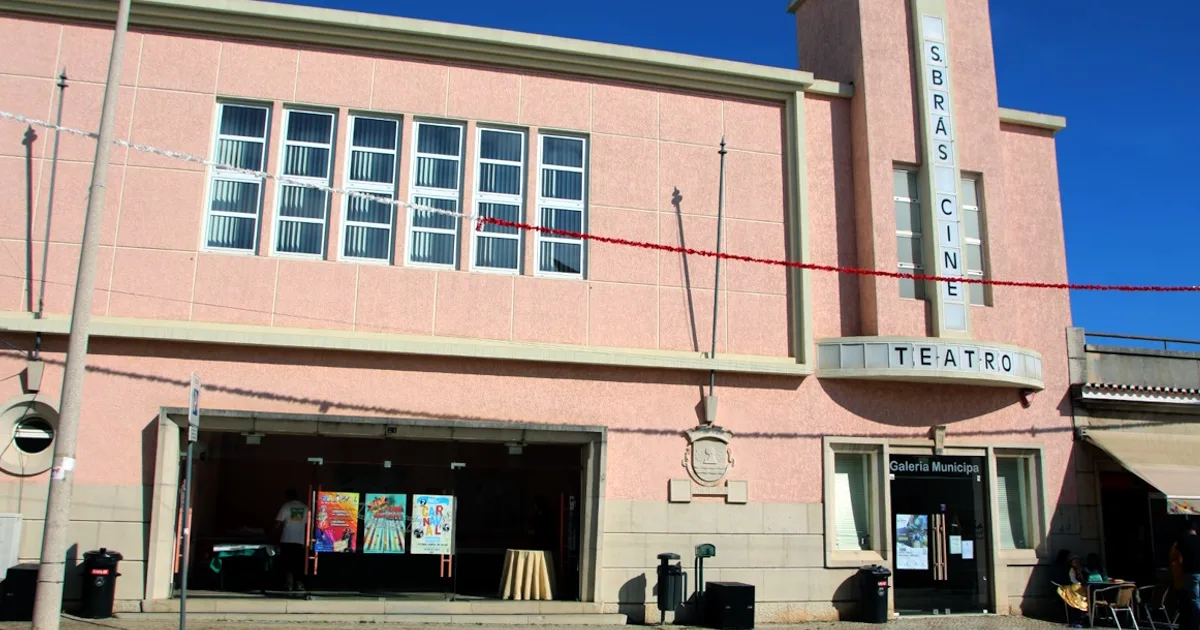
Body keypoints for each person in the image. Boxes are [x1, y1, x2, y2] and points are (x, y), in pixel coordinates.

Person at [274, 489, 308, 592]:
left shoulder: (286, 506)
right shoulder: (305, 507)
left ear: (287, 497)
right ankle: (299, 584)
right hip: (300, 540)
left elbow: (278, 523)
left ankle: (288, 585)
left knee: (287, 562)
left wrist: (271, 534)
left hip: (286, 539)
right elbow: (308, 524)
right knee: (298, 563)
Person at [1175, 521, 1200, 630]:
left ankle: (1197, 624)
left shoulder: (1182, 541)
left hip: (1191, 573)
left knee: (1195, 599)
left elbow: (1176, 558)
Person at [1056, 554, 1088, 628]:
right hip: (1074, 587)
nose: (1077, 563)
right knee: (1077, 599)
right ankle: (1076, 620)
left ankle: (1084, 617)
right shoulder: (1072, 570)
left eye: (1078, 561)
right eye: (1075, 561)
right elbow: (1072, 579)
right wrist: (1079, 583)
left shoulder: (1081, 568)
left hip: (1082, 587)